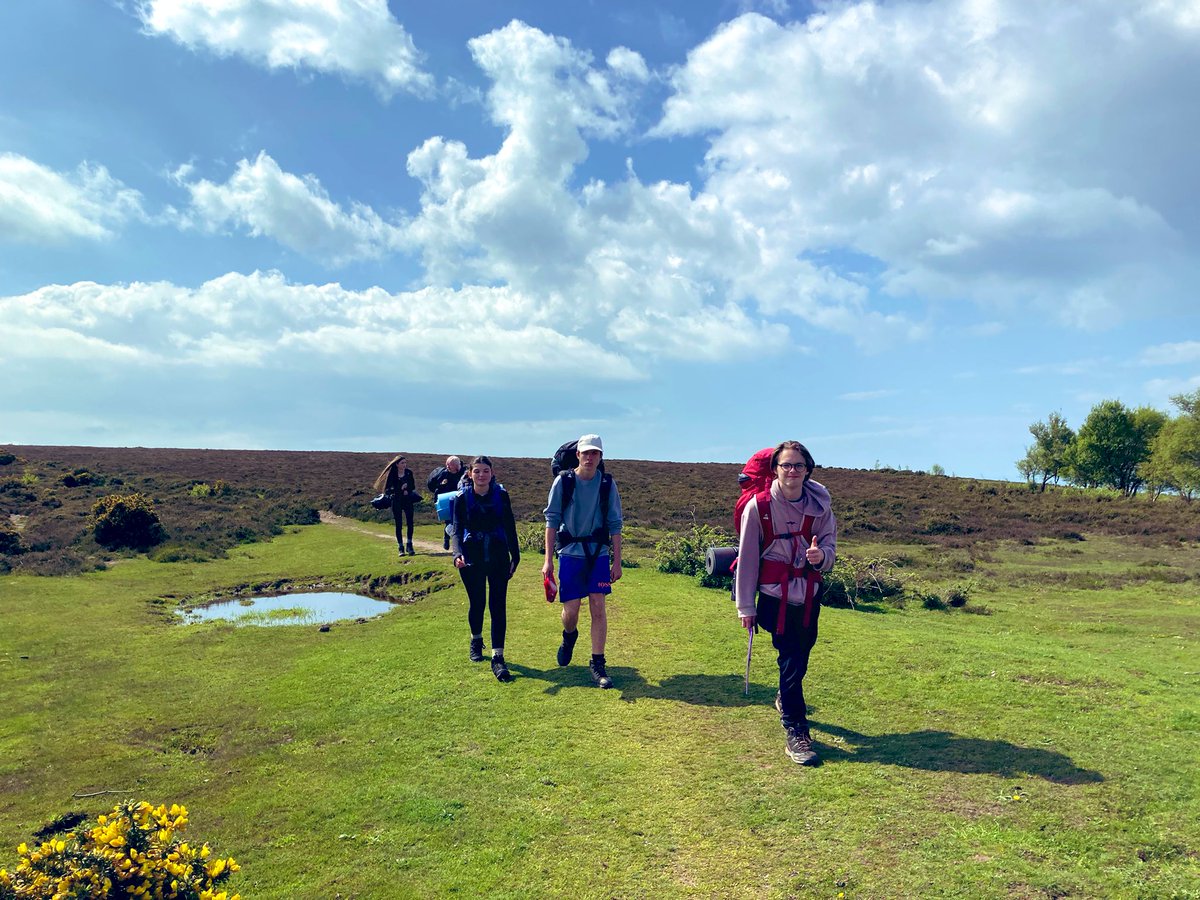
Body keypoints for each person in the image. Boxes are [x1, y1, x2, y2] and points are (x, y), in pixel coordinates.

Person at [734, 440, 836, 766]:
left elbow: (831, 548)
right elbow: (748, 558)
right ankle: (796, 729)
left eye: (798, 466)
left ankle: (784, 697)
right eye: (786, 465)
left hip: (808, 594)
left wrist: (822, 557)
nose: (792, 472)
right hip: (773, 597)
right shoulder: (758, 507)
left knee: (802, 653)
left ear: (808, 470)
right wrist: (745, 607)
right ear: (775, 469)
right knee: (790, 656)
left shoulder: (820, 506)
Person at [542, 434, 623, 689]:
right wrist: (548, 561)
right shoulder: (563, 482)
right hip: (569, 553)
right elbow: (552, 520)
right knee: (571, 612)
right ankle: (569, 636)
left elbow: (615, 524)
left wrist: (617, 561)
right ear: (577, 454)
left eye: (595, 453)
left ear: (601, 457)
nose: (590, 458)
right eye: (586, 453)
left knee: (598, 607)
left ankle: (598, 664)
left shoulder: (607, 484)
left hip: (597, 553)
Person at [451, 456, 520, 683]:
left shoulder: (501, 495)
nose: (481, 475)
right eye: (477, 471)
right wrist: (457, 554)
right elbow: (457, 528)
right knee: (478, 602)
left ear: (492, 473)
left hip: (499, 555)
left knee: (498, 605)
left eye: (486, 471)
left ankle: (498, 657)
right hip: (472, 557)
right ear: (470, 474)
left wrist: (515, 555)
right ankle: (476, 639)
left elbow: (509, 525)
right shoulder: (462, 497)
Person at [373, 455, 418, 556]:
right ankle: (400, 547)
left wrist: (407, 488)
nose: (404, 465)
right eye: (402, 463)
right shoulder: (392, 474)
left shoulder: (408, 473)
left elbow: (413, 485)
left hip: (407, 500)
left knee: (410, 522)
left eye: (405, 463)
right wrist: (399, 488)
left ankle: (410, 545)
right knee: (399, 524)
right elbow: (388, 490)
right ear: (397, 464)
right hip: (396, 500)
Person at [428, 456, 465, 550]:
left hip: (462, 500)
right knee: (449, 521)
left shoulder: (465, 473)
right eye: (447, 465)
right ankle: (447, 538)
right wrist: (441, 486)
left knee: (461, 521)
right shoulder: (443, 474)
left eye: (450, 466)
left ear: (457, 466)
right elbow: (434, 487)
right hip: (447, 501)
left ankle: (461, 541)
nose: (447, 467)